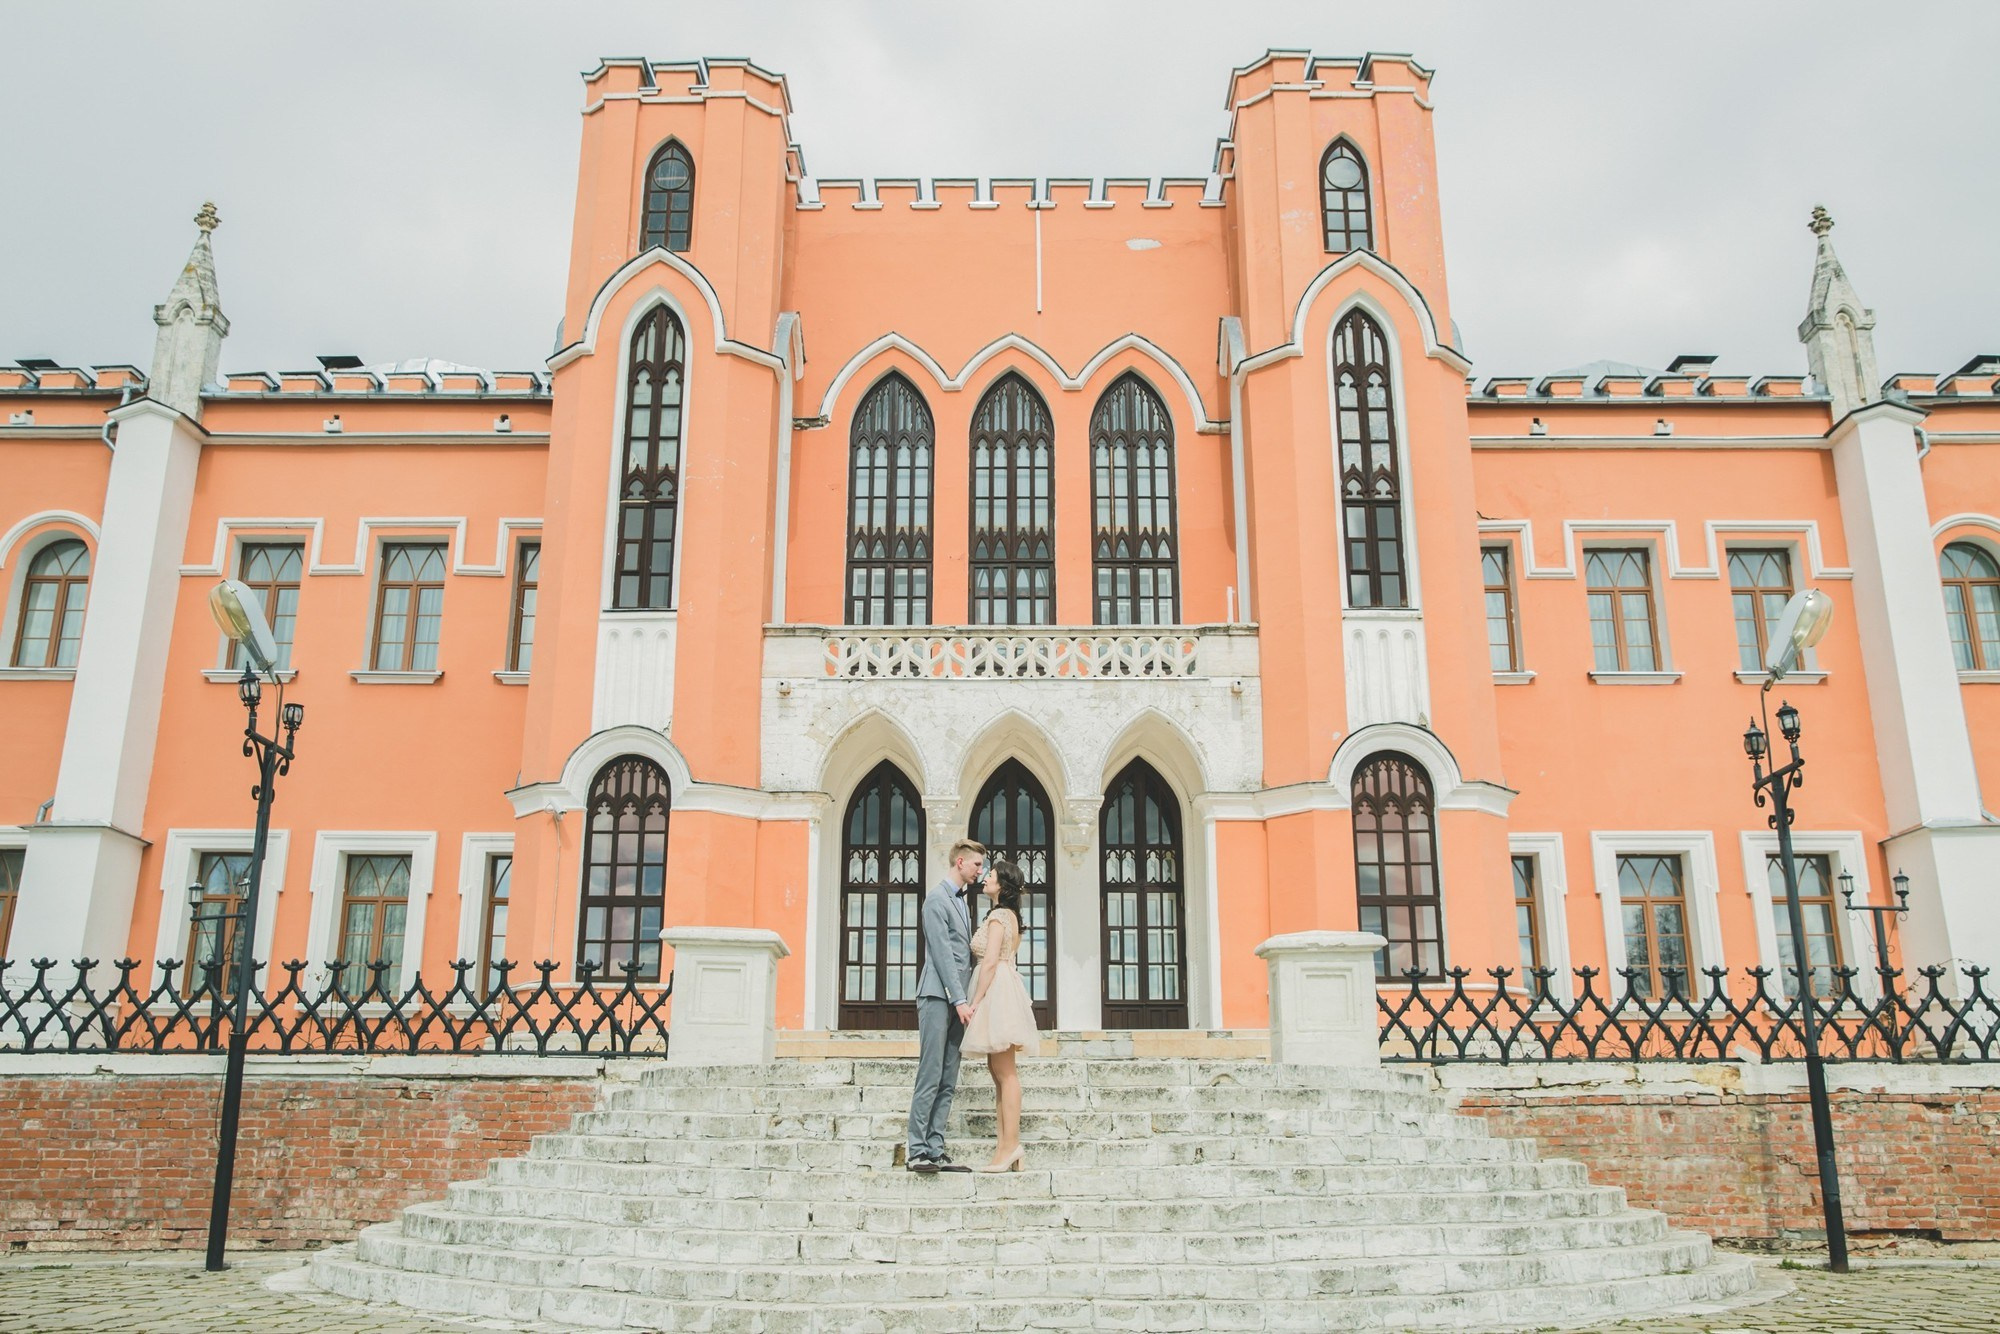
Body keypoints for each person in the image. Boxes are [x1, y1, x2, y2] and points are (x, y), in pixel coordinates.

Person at [907, 837, 982, 1173]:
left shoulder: (962, 902)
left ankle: (936, 1147)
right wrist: (959, 999)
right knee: (931, 1071)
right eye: (977, 864)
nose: (981, 871)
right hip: (938, 996)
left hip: (958, 1003)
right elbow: (941, 955)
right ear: (960, 862)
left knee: (949, 1076)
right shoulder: (936, 900)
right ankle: (916, 1150)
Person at [960, 857, 1038, 1172]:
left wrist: (975, 1002)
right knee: (999, 1073)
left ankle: (1010, 1145)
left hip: (996, 991)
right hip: (1003, 987)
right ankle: (1004, 1147)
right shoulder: (1007, 916)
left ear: (1001, 885)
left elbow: (990, 961)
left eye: (989, 875)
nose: (984, 878)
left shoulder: (999, 917)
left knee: (1005, 1073)